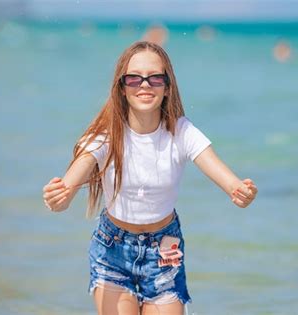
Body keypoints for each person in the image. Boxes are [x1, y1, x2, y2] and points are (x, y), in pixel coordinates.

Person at [42, 41, 258, 315]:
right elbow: (70, 183)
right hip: (113, 250)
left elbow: (225, 177)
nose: (145, 85)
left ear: (167, 87)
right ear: (122, 87)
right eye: (134, 78)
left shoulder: (181, 132)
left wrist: (240, 191)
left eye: (155, 78)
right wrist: (60, 198)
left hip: (165, 250)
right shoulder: (105, 135)